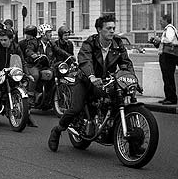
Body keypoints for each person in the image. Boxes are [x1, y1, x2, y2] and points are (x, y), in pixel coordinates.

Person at [48, 14, 134, 152]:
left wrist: (131, 79)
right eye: (108, 28)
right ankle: (57, 130)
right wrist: (92, 76)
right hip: (85, 80)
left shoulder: (117, 43)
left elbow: (125, 63)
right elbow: (85, 60)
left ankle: (132, 144)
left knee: (119, 101)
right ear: (99, 30)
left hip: (105, 81)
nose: (112, 31)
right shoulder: (90, 43)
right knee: (75, 108)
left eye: (113, 28)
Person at [25, 24, 71, 109]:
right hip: (34, 65)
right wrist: (33, 54)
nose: (51, 34)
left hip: (45, 66)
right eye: (49, 32)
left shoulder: (51, 43)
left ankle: (47, 96)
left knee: (54, 73)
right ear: (43, 34)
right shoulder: (34, 42)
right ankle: (31, 96)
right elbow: (28, 50)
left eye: (51, 32)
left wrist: (68, 56)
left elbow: (58, 50)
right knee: (35, 75)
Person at [150, 14, 178, 105]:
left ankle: (171, 98)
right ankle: (168, 97)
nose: (160, 22)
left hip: (168, 56)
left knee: (168, 77)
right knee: (166, 77)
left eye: (161, 20)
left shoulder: (169, 29)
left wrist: (160, 39)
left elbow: (169, 40)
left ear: (166, 20)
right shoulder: (168, 29)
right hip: (166, 55)